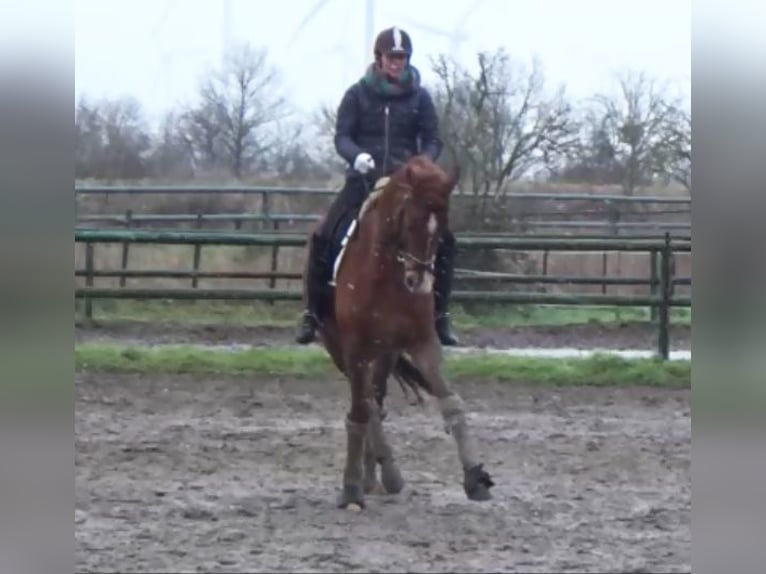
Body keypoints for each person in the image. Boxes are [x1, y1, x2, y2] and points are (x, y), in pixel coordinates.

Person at [294, 25, 459, 347]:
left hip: (407, 185)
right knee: (324, 234)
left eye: (402, 58)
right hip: (364, 179)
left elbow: (432, 138)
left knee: (446, 241)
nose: (397, 63)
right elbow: (342, 136)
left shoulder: (421, 97)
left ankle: (440, 314)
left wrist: (421, 164)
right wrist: (356, 156)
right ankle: (312, 312)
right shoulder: (357, 95)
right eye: (392, 57)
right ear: (379, 59)